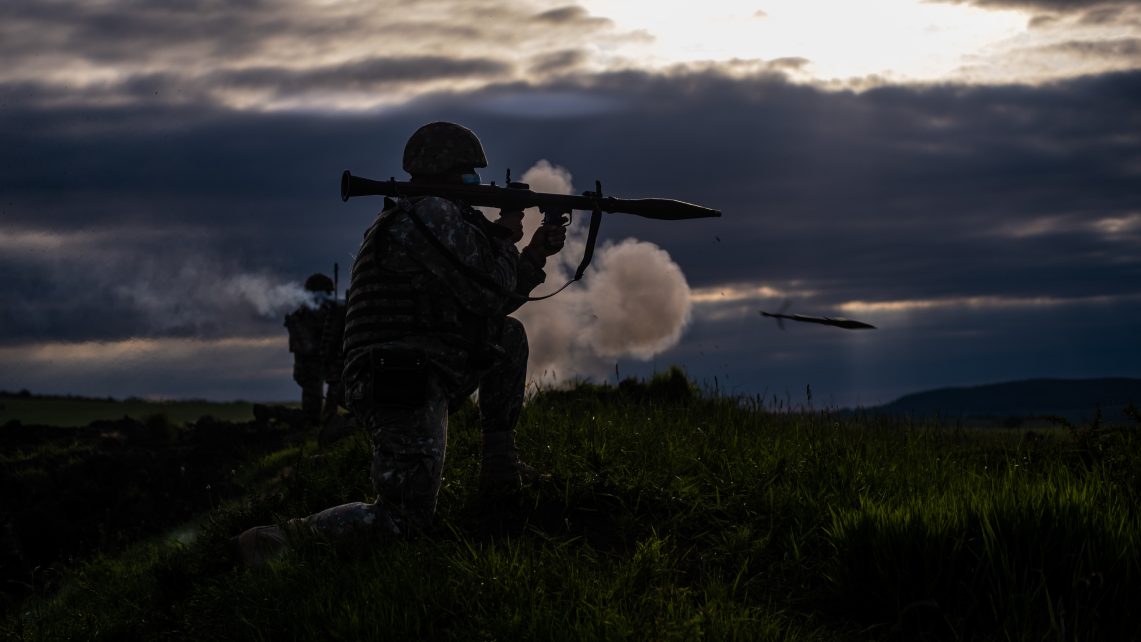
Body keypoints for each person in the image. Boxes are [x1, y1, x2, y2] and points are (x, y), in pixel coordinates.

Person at [235, 121, 566, 566]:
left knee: (507, 335)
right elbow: (488, 290)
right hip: (397, 376)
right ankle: (275, 542)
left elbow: (491, 305)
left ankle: (501, 470)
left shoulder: (437, 217)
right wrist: (507, 233)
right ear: (446, 173)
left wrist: (534, 255)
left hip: (421, 366)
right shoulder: (430, 214)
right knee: (404, 520)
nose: (476, 185)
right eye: (470, 175)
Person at [283, 273, 343, 427]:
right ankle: (276, 413)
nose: (328, 297)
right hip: (310, 367)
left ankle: (328, 421)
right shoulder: (302, 317)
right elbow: (307, 346)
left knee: (332, 397)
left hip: (324, 363)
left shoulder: (327, 312)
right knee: (311, 415)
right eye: (326, 293)